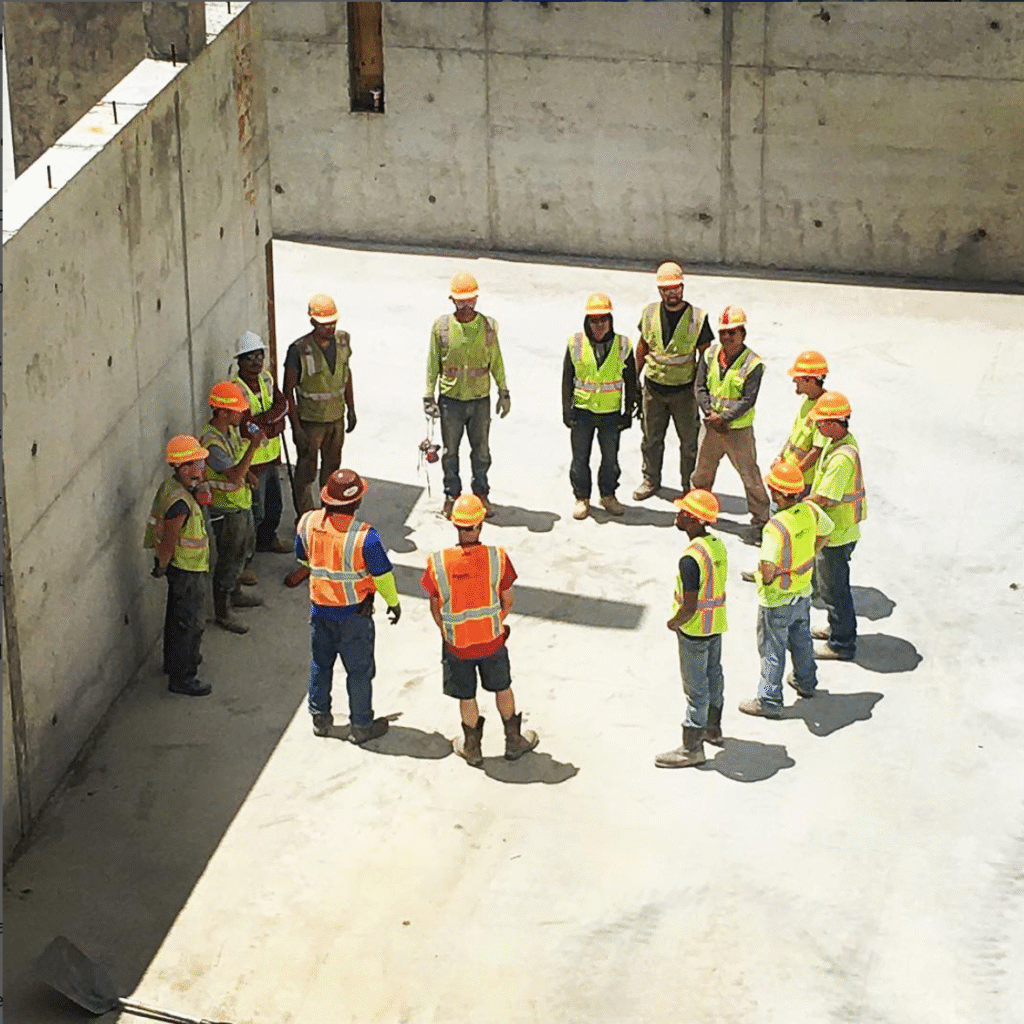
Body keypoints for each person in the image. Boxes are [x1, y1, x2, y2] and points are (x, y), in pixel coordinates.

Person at [421, 495, 538, 767]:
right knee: (503, 688)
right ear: (480, 523)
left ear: (455, 525)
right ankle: (513, 741)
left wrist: (447, 631)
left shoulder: (439, 562)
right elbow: (508, 600)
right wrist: (494, 622)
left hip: (457, 645)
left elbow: (435, 607)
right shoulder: (497, 557)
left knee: (466, 695)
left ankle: (472, 748)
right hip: (492, 641)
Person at [295, 469, 401, 742]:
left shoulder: (307, 523)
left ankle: (320, 718)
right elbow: (383, 577)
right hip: (354, 615)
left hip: (320, 611)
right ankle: (361, 725)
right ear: (357, 502)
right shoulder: (366, 537)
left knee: (321, 663)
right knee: (359, 671)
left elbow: (303, 559)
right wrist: (393, 603)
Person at [738, 463, 835, 719]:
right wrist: (811, 553)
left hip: (778, 598)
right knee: (801, 638)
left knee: (772, 648)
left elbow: (768, 567)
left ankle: (769, 700)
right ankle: (806, 682)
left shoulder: (776, 527)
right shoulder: (811, 511)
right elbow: (827, 530)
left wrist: (768, 578)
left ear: (779, 494)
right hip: (802, 591)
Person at [424, 272, 511, 520]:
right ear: (452, 300)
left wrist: (503, 391)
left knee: (481, 450)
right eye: (461, 301)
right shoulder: (440, 327)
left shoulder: (488, 327)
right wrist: (428, 395)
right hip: (451, 400)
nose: (466, 305)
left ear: (476, 298)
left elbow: (497, 361)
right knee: (450, 451)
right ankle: (452, 496)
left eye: (470, 300)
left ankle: (480, 494)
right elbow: (432, 363)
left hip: (479, 399)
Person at [656, 489, 728, 768]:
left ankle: (691, 748)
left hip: (694, 630)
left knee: (696, 689)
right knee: (714, 677)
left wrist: (675, 622)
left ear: (695, 520)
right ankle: (713, 728)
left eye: (684, 513)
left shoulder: (690, 559)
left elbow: (690, 605)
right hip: (716, 625)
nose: (678, 515)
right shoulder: (717, 545)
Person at [633, 262, 714, 501]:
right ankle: (651, 480)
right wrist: (635, 378)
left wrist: (699, 387)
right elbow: (642, 346)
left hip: (684, 392)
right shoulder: (649, 313)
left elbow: (705, 355)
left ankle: (689, 487)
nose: (672, 293)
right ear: (660, 290)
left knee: (689, 442)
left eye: (676, 288)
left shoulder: (697, 318)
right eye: (667, 289)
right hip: (654, 389)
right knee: (651, 438)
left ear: (682, 286)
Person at [691, 305, 771, 543]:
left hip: (738, 431)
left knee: (750, 476)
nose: (727, 337)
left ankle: (760, 521)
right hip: (711, 427)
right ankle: (699, 511)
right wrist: (709, 412)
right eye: (723, 332)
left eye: (732, 333)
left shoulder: (753, 363)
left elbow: (748, 399)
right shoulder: (710, 355)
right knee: (702, 472)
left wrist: (724, 418)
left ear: (743, 334)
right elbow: (700, 387)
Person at [144, 435, 214, 697]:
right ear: (183, 467)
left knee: (176, 618)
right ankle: (183, 677)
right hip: (187, 569)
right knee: (190, 624)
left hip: (182, 568)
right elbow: (170, 540)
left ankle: (172, 663)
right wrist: (161, 565)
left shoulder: (172, 488)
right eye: (197, 463)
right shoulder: (180, 504)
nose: (202, 468)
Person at [562, 292, 639, 521]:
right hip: (583, 411)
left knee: (610, 458)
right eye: (594, 320)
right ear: (587, 321)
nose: (599, 325)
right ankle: (581, 497)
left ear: (610, 320)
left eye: (603, 319)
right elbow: (567, 378)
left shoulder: (623, 345)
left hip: (610, 413)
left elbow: (631, 381)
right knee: (580, 458)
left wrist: (628, 411)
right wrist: (567, 410)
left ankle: (608, 495)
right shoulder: (575, 343)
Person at [200, 381, 266, 634]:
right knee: (229, 558)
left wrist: (248, 474)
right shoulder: (212, 444)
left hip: (240, 503)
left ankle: (235, 593)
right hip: (225, 510)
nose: (242, 414)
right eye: (237, 410)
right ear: (222, 412)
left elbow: (237, 466)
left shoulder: (230, 432)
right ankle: (223, 611)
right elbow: (233, 476)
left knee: (243, 551)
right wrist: (254, 446)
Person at [283, 293, 357, 516]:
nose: (330, 328)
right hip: (311, 423)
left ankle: (330, 515)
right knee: (306, 473)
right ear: (313, 322)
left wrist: (351, 408)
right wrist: (296, 428)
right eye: (325, 324)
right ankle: (306, 518)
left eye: (333, 323)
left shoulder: (343, 341)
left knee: (332, 471)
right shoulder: (299, 350)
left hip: (336, 418)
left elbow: (346, 375)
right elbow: (288, 391)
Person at [806, 391, 867, 662]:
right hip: (840, 529)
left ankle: (842, 643)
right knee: (831, 584)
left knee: (834, 588)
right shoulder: (840, 443)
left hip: (837, 533)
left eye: (821, 423)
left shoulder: (842, 457)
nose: (818, 427)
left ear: (834, 423)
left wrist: (801, 504)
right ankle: (836, 627)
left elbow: (827, 497)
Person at [231, 330, 292, 554]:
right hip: (250, 462)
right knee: (256, 512)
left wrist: (265, 422)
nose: (256, 361)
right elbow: (246, 426)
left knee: (274, 506)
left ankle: (269, 540)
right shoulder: (236, 389)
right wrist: (273, 424)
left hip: (271, 457)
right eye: (250, 357)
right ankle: (248, 557)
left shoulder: (266, 378)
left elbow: (282, 405)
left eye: (259, 356)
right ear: (240, 361)